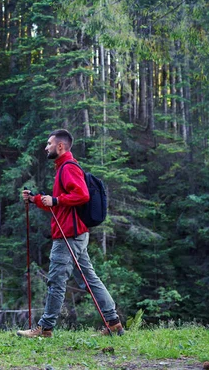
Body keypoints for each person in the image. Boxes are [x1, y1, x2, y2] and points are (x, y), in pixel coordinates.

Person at [17, 128, 124, 338]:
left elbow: (81, 195)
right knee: (90, 280)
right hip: (75, 234)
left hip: (68, 236)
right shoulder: (63, 168)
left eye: (49, 143)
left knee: (56, 280)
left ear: (60, 146)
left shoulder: (68, 168)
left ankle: (45, 328)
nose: (46, 147)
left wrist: (55, 200)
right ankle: (114, 324)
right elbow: (60, 205)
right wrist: (36, 199)